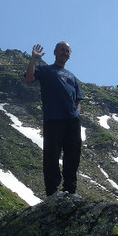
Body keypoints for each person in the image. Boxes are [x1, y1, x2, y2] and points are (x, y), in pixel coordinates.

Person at [25, 41, 84, 196]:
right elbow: (29, 78)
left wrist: (77, 114)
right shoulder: (46, 70)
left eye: (67, 51)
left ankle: (70, 190)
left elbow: (78, 98)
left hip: (72, 121)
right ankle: (52, 191)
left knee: (73, 156)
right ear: (55, 52)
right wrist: (33, 59)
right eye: (62, 50)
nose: (65, 53)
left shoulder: (72, 76)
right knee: (52, 155)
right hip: (53, 119)